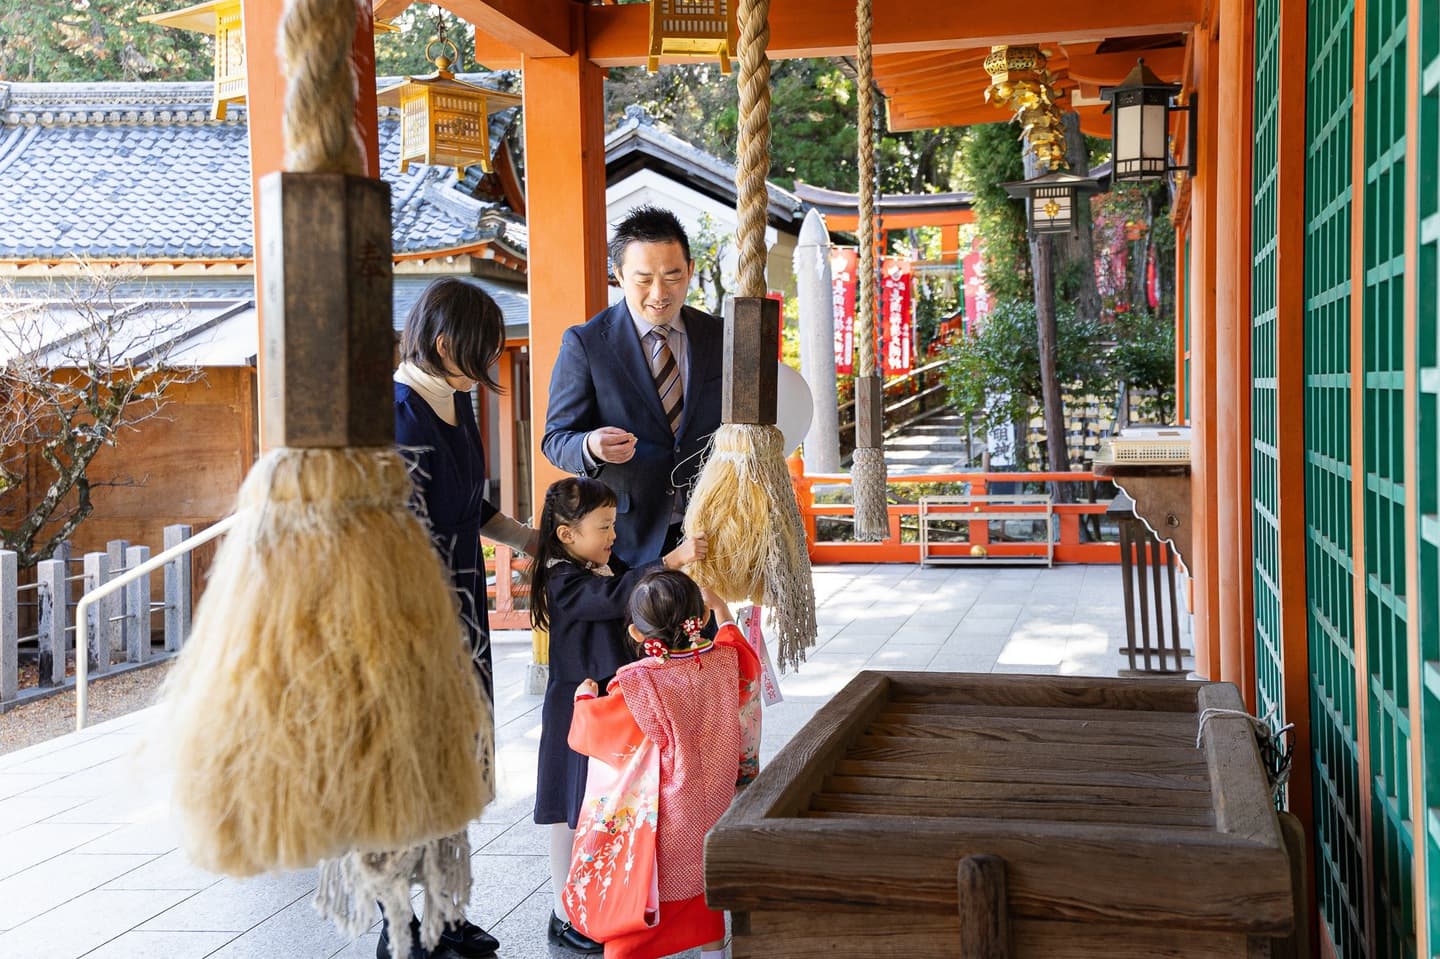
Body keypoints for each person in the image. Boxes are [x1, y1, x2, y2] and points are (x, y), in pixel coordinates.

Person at [389, 277, 535, 959]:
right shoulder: (399, 412)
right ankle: (400, 927)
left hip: (464, 610)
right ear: (445, 343)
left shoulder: (455, 402)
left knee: (459, 766)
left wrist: (536, 542)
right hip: (414, 621)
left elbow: (470, 508)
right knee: (413, 771)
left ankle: (448, 914)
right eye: (477, 354)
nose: (485, 369)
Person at [528, 477, 707, 954]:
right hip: (579, 708)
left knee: (601, 808)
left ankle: (599, 902)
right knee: (569, 812)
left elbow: (636, 594)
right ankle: (563, 912)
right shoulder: (563, 578)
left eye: (613, 524)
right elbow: (612, 600)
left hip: (612, 704)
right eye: (603, 526)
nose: (612, 535)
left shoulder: (605, 565)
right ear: (567, 535)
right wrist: (669, 561)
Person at [565, 569, 760, 959]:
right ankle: (714, 952)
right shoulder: (724, 662)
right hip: (717, 803)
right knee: (702, 886)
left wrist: (584, 701)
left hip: (667, 815)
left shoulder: (638, 682)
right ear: (698, 619)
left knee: (649, 896)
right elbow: (741, 653)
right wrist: (721, 609)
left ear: (637, 634)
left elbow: (598, 733)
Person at [542, 206, 724, 568]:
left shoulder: (720, 336)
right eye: (643, 279)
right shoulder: (587, 343)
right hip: (623, 539)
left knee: (707, 626)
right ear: (619, 275)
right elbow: (555, 439)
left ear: (689, 270)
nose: (659, 293)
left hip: (709, 533)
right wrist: (591, 445)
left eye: (672, 276)